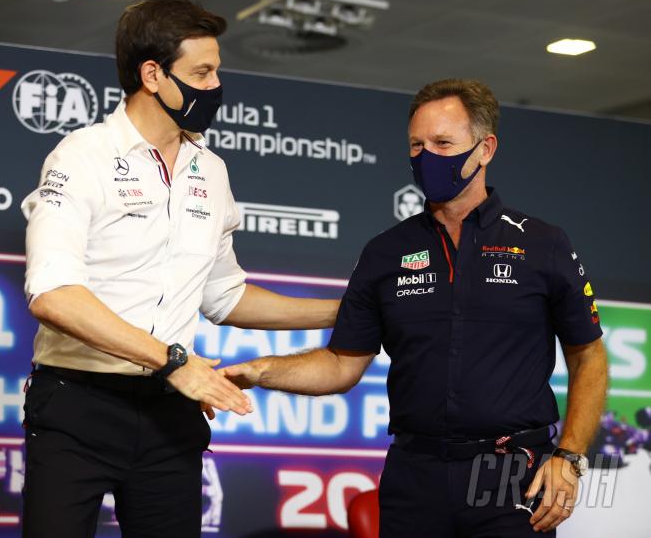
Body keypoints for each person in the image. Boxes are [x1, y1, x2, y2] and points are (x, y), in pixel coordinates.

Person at [224, 79, 608, 537]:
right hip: (414, 473)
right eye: (416, 145)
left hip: (510, 474)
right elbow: (341, 365)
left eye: (443, 143)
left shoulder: (542, 243)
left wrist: (569, 456)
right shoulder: (386, 252)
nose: (426, 157)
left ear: (485, 149)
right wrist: (260, 371)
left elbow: (589, 355)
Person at [20, 0, 338, 538]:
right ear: (153, 75)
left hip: (170, 415)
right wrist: (172, 360)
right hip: (78, 404)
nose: (215, 86)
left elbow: (225, 296)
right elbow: (53, 293)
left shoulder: (210, 169)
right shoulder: (82, 156)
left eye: (217, 71)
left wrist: (346, 308)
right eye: (202, 72)